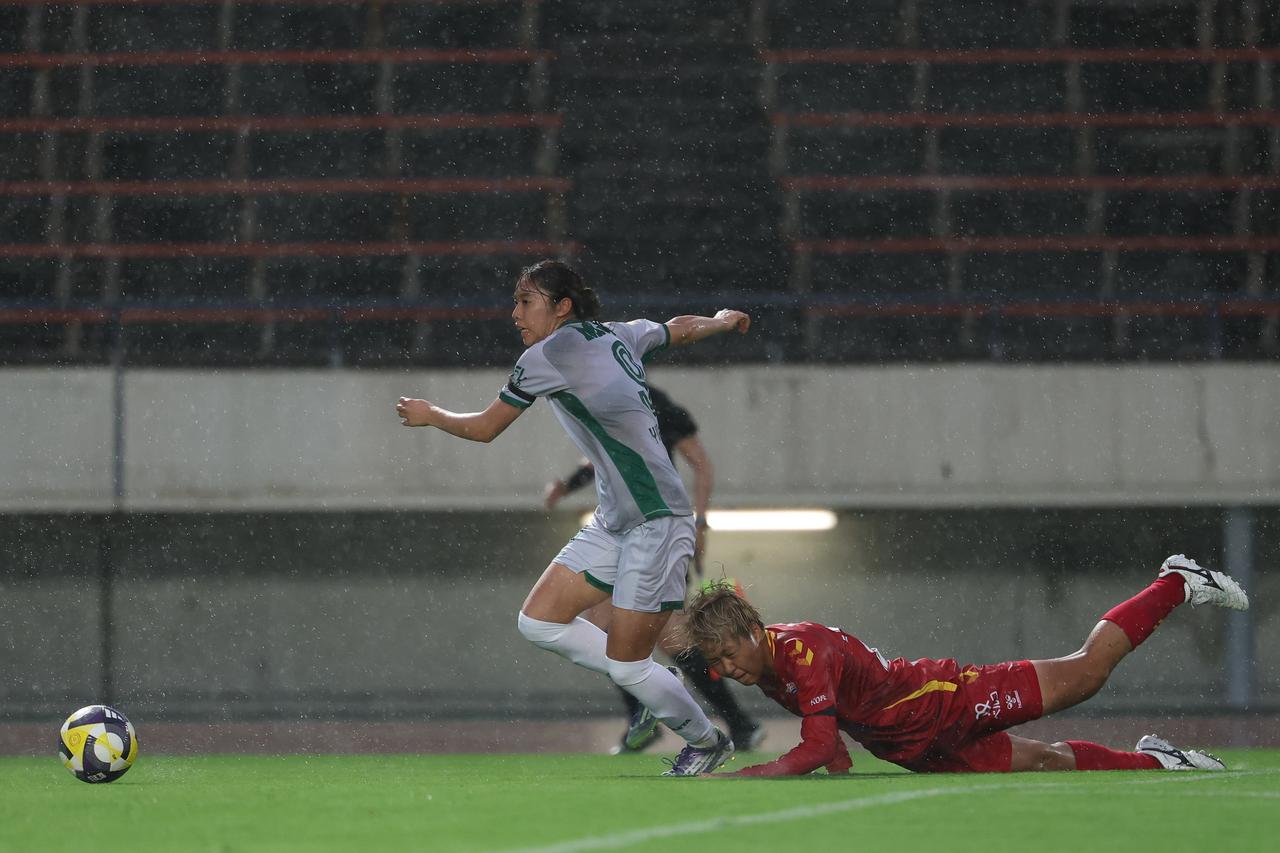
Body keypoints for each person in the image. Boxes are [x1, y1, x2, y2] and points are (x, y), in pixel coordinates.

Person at [396, 259, 750, 776]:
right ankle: (653, 684)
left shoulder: (545, 355)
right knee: (539, 621)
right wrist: (719, 320)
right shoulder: (619, 334)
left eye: (526, 301)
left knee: (630, 664)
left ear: (561, 307)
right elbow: (678, 329)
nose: (514, 312)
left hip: (658, 519)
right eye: (516, 300)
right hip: (615, 521)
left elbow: (485, 428)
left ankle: (705, 739)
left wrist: (432, 416)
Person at [680, 554, 1250, 776]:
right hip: (913, 747)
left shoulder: (801, 651)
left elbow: (813, 743)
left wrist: (740, 779)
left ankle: (1176, 582)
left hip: (944, 700)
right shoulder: (770, 664)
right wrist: (836, 762)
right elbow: (829, 741)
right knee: (1046, 763)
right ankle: (1158, 762)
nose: (727, 669)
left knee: (1084, 674)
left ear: (753, 632)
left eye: (729, 653)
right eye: (717, 664)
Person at [543, 385, 763, 754]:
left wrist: (699, 522)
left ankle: (726, 721)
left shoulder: (654, 404)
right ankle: (667, 718)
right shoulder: (603, 401)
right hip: (624, 532)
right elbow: (597, 462)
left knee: (667, 637)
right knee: (607, 628)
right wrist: (566, 486)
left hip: (658, 530)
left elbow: (701, 463)